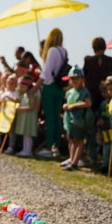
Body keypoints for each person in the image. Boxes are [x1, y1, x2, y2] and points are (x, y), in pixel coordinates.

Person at [36, 28, 68, 158]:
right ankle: (56, 146)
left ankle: (49, 146)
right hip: (59, 87)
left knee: (50, 119)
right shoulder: (64, 51)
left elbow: (47, 72)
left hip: (49, 86)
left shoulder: (52, 50)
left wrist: (36, 86)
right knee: (57, 117)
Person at [61, 66, 93, 171]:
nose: (74, 81)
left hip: (79, 120)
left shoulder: (84, 92)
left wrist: (73, 106)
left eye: (77, 78)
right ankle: (71, 159)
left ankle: (75, 162)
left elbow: (88, 103)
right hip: (69, 120)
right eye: (72, 78)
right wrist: (65, 106)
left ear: (82, 79)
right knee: (71, 140)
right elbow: (67, 103)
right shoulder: (69, 92)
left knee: (79, 141)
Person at [0, 74, 20, 154]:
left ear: (15, 84)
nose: (9, 85)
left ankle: (11, 147)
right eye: (8, 83)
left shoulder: (15, 93)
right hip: (3, 115)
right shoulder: (4, 93)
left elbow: (16, 101)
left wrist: (8, 99)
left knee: (11, 133)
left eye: (12, 83)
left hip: (11, 116)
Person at [14, 75, 40, 157]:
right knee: (25, 134)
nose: (21, 88)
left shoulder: (32, 94)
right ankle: (25, 150)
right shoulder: (24, 94)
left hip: (29, 117)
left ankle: (28, 150)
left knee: (28, 134)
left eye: (22, 86)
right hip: (25, 116)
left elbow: (31, 107)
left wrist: (19, 109)